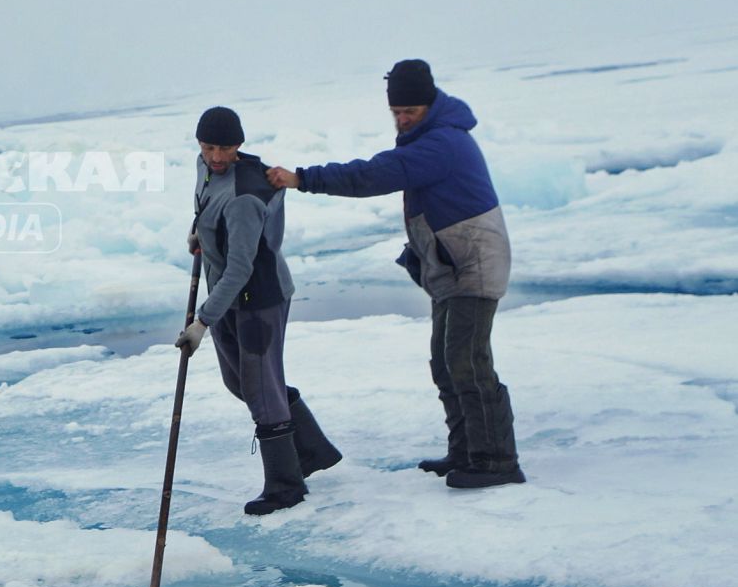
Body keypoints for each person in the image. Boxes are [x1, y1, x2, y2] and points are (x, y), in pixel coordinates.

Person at [267, 60, 524, 489]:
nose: (403, 120)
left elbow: (374, 174)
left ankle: (496, 460)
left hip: (472, 265)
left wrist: (303, 178)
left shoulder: (441, 143)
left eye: (411, 112)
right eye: (397, 113)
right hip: (451, 265)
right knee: (446, 363)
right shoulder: (429, 136)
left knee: (468, 361)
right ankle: (467, 451)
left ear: (430, 103)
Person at [177, 106, 342, 515]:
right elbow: (210, 208)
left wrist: (202, 322)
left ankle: (286, 485)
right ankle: (312, 449)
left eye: (226, 147)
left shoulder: (244, 196)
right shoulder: (207, 169)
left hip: (257, 299)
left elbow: (241, 268)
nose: (217, 155)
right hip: (228, 294)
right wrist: (205, 232)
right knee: (243, 385)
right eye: (210, 146)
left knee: (262, 390)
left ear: (240, 145)